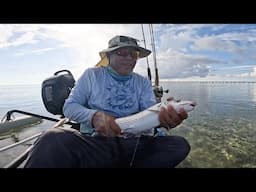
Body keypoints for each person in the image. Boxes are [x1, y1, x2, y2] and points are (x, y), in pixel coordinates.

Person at [24, 35, 190, 168]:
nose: (129, 58)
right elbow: (69, 107)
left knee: (179, 145)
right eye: (122, 53)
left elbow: (149, 114)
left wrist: (164, 120)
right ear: (108, 56)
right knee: (51, 138)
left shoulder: (143, 83)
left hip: (132, 143)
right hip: (95, 143)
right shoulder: (91, 75)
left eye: (133, 54)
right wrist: (94, 116)